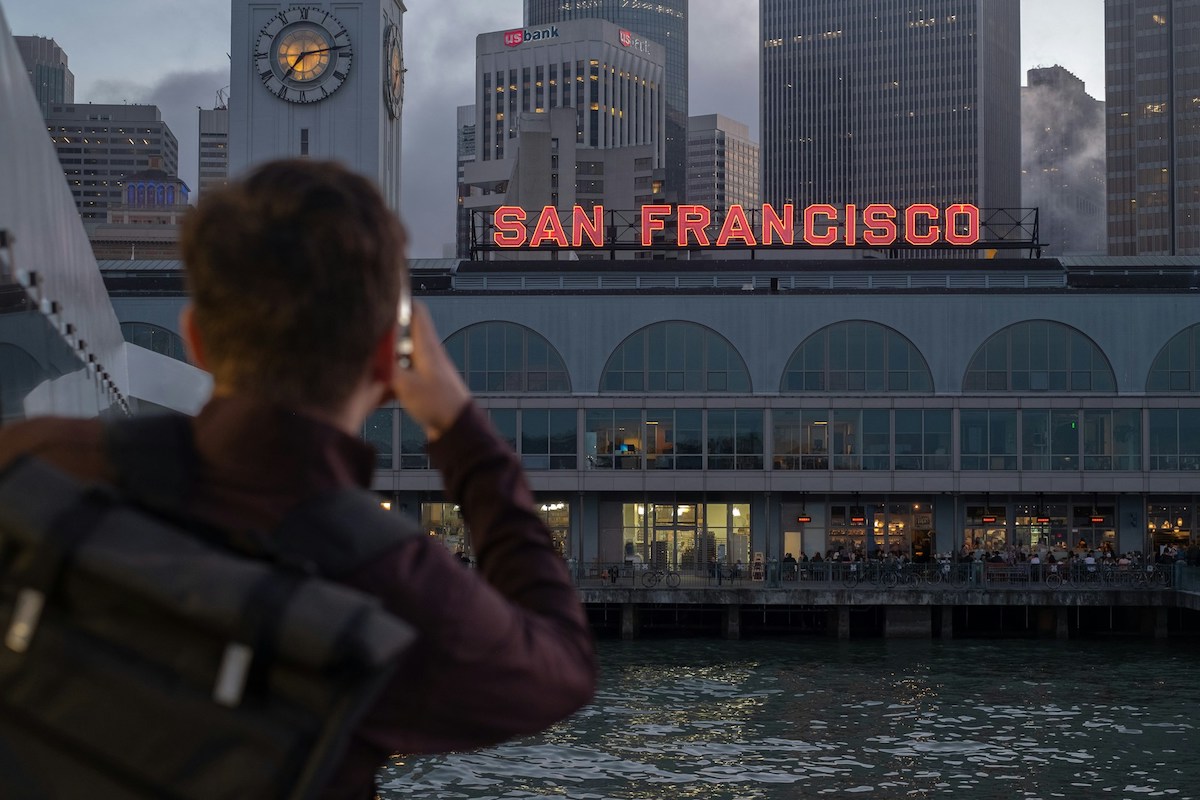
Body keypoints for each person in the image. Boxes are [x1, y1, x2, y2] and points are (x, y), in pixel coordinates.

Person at [0, 160, 596, 797]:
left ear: (197, 340)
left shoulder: (38, 462)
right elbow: (560, 666)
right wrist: (461, 431)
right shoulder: (393, 582)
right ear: (386, 359)